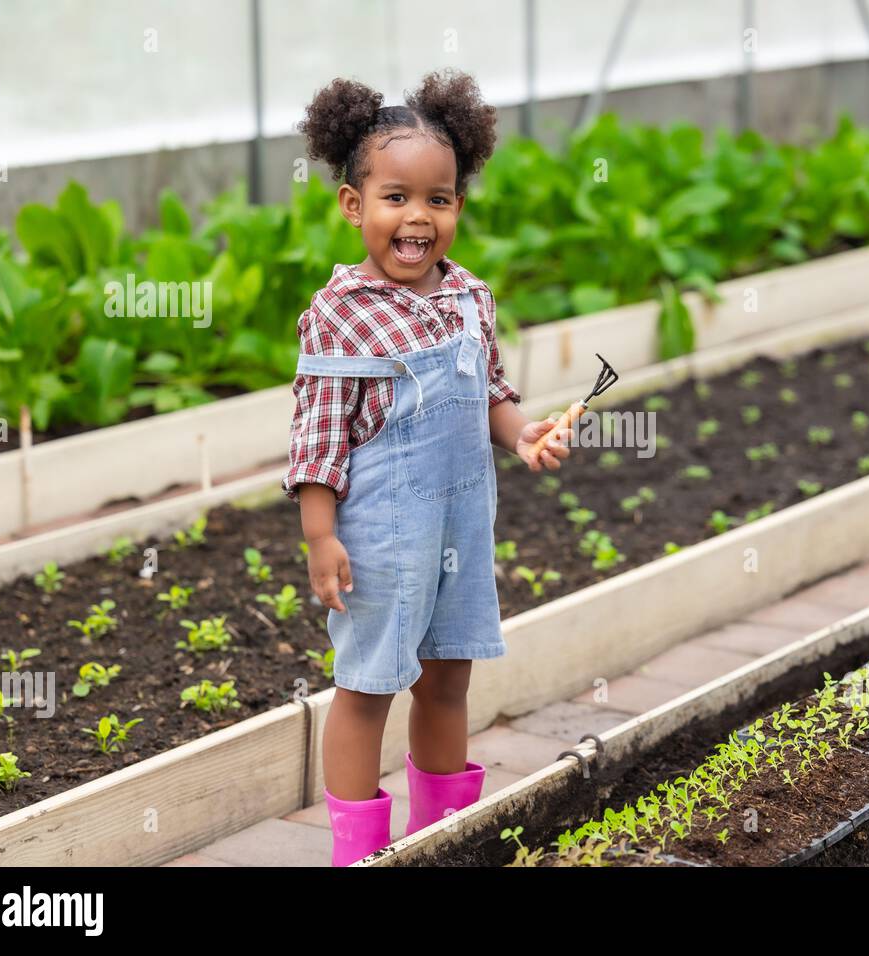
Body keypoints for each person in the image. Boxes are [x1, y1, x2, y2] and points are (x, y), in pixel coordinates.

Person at [283, 69, 573, 866]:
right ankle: (358, 855)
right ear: (354, 205)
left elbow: (493, 397)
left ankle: (440, 842)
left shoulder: (470, 298)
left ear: (457, 209)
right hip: (379, 538)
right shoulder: (340, 316)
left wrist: (523, 436)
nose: (417, 218)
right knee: (368, 686)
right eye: (396, 198)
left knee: (447, 681)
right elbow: (316, 443)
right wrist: (320, 538)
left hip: (458, 527)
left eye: (437, 200)